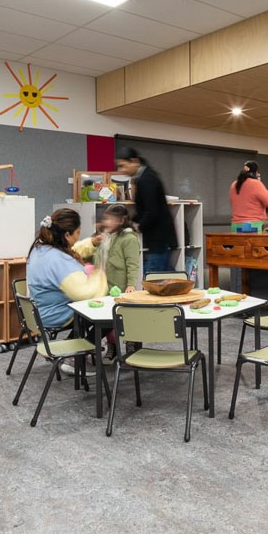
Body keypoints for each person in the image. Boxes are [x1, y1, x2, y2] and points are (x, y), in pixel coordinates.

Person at [26, 209, 108, 373]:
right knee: (108, 317)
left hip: (39, 310)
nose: (79, 236)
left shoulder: (40, 249)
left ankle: (73, 350)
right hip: (55, 313)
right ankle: (72, 356)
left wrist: (91, 242)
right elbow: (83, 293)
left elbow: (72, 250)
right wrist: (100, 276)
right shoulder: (59, 260)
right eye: (78, 232)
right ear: (67, 235)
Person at [115, 146, 175, 274]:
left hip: (159, 238)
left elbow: (152, 211)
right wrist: (130, 221)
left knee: (153, 279)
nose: (121, 171)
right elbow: (144, 209)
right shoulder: (143, 177)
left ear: (134, 161)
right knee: (159, 277)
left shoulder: (147, 179)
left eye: (123, 166)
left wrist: (138, 226)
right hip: (158, 238)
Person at [229, 160, 268, 231]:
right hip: (253, 226)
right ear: (255, 172)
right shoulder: (255, 184)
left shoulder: (233, 184)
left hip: (235, 226)